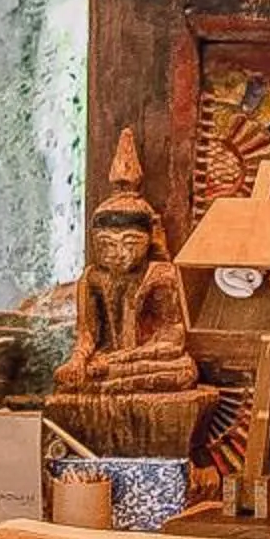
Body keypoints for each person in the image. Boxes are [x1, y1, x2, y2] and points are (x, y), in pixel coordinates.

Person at [55, 129, 199, 395]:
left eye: (130, 243)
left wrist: (118, 360)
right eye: (107, 245)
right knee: (80, 379)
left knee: (182, 371)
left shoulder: (161, 275)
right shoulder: (92, 278)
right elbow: (87, 335)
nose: (118, 253)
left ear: (149, 241)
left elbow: (173, 339)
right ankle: (108, 376)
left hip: (147, 361)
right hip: (107, 361)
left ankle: (113, 375)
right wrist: (77, 360)